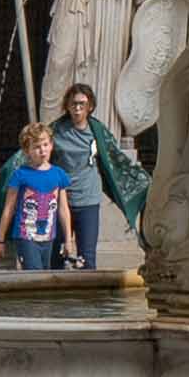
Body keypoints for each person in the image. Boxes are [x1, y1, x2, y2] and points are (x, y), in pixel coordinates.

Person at [48, 84, 142, 269]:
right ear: (67, 105)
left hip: (88, 200)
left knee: (87, 257)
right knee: (57, 255)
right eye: (73, 104)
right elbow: (30, 153)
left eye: (82, 104)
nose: (77, 108)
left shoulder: (97, 130)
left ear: (90, 106)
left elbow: (116, 158)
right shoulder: (56, 130)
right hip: (60, 201)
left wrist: (142, 181)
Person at [0, 120, 75, 271]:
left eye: (45, 145)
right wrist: (0, 240)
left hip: (49, 238)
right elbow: (8, 209)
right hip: (25, 237)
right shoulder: (20, 175)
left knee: (45, 275)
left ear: (51, 145)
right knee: (35, 273)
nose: (42, 150)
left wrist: (68, 239)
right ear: (27, 151)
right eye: (37, 147)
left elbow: (63, 210)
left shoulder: (59, 174)